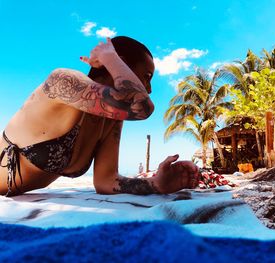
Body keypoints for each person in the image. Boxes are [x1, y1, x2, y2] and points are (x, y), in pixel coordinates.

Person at [0, 36, 199, 196]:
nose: (149, 88)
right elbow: (143, 107)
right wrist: (109, 56)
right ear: (118, 63)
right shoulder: (62, 81)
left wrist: (157, 184)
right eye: (147, 77)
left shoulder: (112, 117)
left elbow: (106, 181)